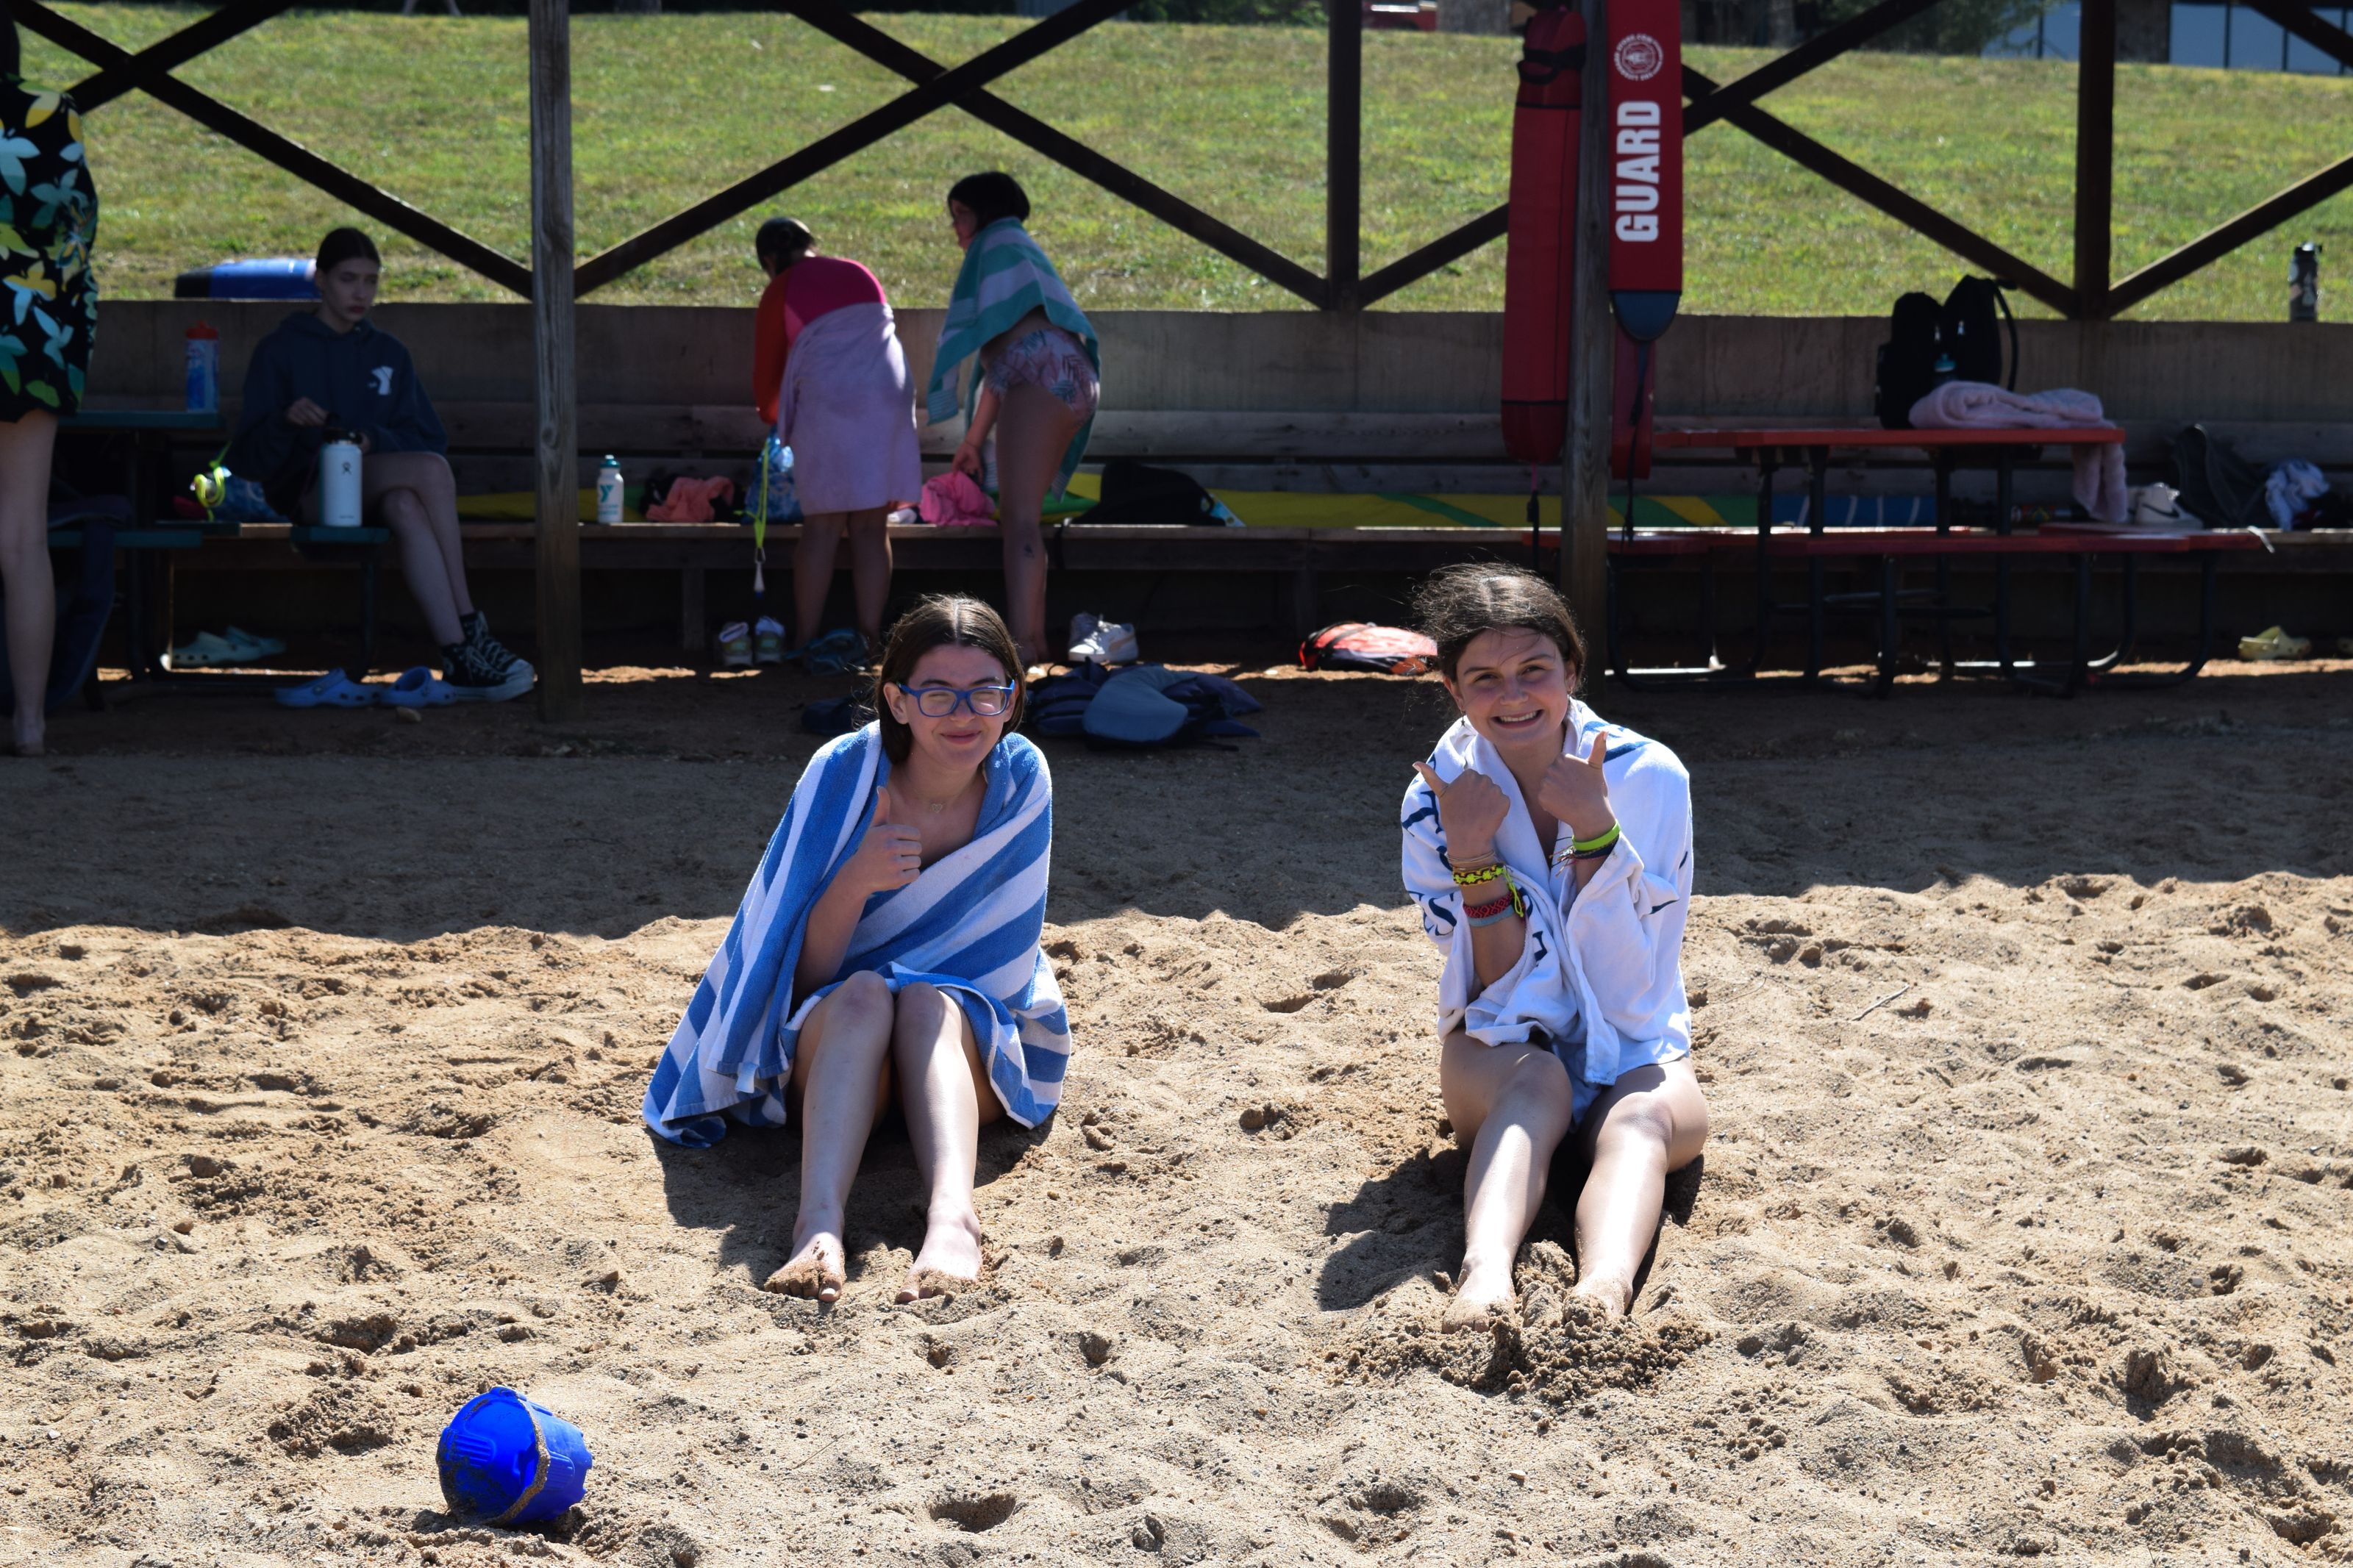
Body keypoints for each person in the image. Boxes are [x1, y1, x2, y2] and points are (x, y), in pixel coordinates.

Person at [643, 595, 1068, 1303]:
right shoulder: (844, 774)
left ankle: (954, 1221)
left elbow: (999, 975)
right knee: (869, 993)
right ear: (897, 701)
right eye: (937, 692)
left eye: (985, 691)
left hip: (961, 1055)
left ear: (1013, 699)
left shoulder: (1021, 779)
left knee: (931, 1000)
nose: (963, 712)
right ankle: (818, 1225)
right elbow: (793, 975)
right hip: (844, 1055)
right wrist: (855, 880)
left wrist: (917, 992)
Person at [1399, 564, 1709, 1328]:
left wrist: (1598, 836)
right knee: (1535, 1083)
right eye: (1483, 678)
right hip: (1501, 1051)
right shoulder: (1433, 797)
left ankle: (1602, 1291)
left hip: (1635, 1041)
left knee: (1639, 1118)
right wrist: (1471, 854)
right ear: (1452, 690)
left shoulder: (1651, 776)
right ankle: (1482, 1277)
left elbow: (1632, 988)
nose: (1511, 696)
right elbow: (1498, 990)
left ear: (1571, 670)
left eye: (1533, 670)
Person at [224, 227, 530, 701]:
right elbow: (247, 458)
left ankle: (457, 653)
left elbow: (428, 437)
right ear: (321, 280)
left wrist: (372, 440)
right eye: (349, 279)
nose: (360, 293)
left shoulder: (389, 353)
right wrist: (287, 421)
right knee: (429, 473)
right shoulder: (281, 349)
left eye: (371, 281)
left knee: (409, 502)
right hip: (313, 496)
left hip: (380, 489)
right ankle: (473, 625)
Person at [924, 173, 1099, 668]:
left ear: (983, 212)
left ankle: (1022, 647)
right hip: (1064, 373)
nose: (957, 229)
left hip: (1041, 375)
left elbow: (1009, 361)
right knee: (1024, 523)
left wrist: (972, 435)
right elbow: (1004, 369)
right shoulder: (1020, 249)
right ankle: (1033, 642)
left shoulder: (993, 245)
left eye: (960, 214)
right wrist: (973, 442)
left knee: (1020, 523)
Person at [741, 215, 921, 671]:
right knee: (870, 527)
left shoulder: (780, 288)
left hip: (830, 399)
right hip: (888, 395)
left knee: (821, 528)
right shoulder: (860, 272)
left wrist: (777, 419)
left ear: (768, 259)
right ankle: (872, 643)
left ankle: (805, 637)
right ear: (811, 244)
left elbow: (767, 380)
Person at [0, 1, 99, 755]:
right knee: (23, 538)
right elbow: (78, 243)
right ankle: (31, 724)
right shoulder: (53, 118)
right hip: (33, 339)